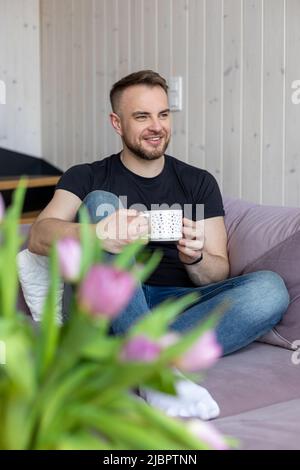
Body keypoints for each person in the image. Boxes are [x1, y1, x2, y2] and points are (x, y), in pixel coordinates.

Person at [29, 70, 289, 420]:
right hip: (103, 302)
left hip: (175, 303)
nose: (156, 126)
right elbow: (39, 235)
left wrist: (195, 258)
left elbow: (218, 272)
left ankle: (128, 355)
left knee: (270, 289)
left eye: (163, 114)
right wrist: (97, 235)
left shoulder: (198, 182)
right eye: (142, 116)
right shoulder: (86, 175)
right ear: (117, 123)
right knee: (100, 201)